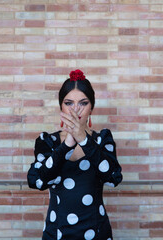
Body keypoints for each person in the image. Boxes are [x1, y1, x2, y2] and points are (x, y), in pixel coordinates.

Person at [27, 69, 123, 240]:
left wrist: (83, 139)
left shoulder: (102, 140)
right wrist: (68, 144)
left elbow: (113, 177)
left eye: (83, 103)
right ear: (61, 107)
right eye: (69, 103)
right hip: (57, 233)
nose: (76, 109)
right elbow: (38, 181)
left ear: (91, 107)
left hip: (96, 232)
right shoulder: (47, 141)